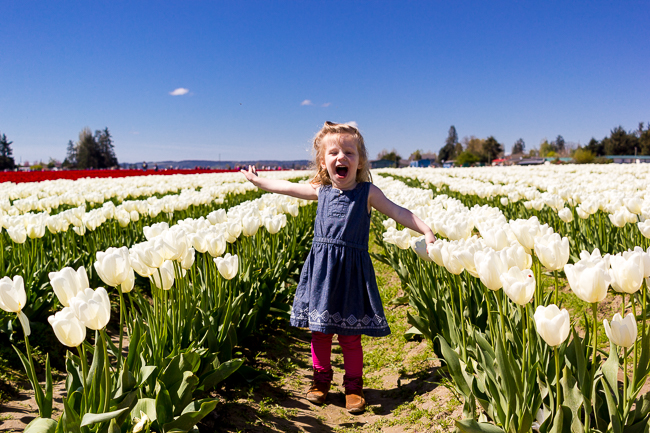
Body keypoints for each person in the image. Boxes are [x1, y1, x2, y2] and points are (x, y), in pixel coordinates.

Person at [241, 121, 436, 413]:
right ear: (323, 161)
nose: (341, 157)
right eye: (333, 152)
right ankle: (320, 380)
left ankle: (353, 386)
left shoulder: (368, 193)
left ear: (360, 162)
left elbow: (398, 211)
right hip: (323, 271)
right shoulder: (320, 190)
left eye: (349, 152)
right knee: (320, 331)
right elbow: (287, 187)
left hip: (352, 274)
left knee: (349, 335)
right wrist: (259, 182)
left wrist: (426, 230)